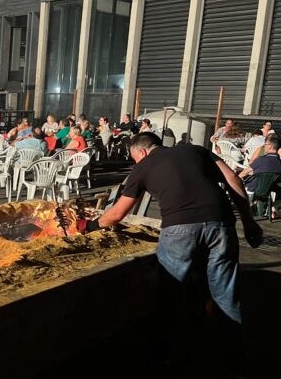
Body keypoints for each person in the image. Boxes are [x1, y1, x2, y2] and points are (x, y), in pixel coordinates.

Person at [89, 132, 263, 324]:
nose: (136, 163)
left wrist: (94, 224)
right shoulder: (196, 150)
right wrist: (249, 223)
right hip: (221, 224)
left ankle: (170, 344)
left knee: (171, 290)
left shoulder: (143, 167)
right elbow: (233, 179)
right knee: (225, 291)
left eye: (135, 158)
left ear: (143, 152)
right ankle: (229, 345)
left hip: (179, 228)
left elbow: (116, 214)